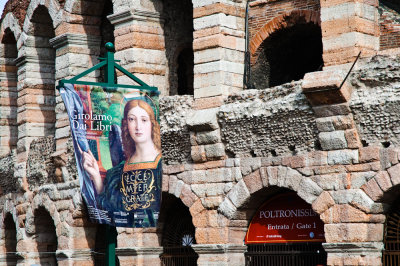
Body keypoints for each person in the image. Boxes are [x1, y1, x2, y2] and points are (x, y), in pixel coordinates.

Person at [82, 99, 162, 227]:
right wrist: (96, 176)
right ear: (126, 125)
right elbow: (110, 209)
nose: (138, 127)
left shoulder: (160, 163)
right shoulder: (118, 171)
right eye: (132, 119)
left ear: (152, 124)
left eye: (144, 120)